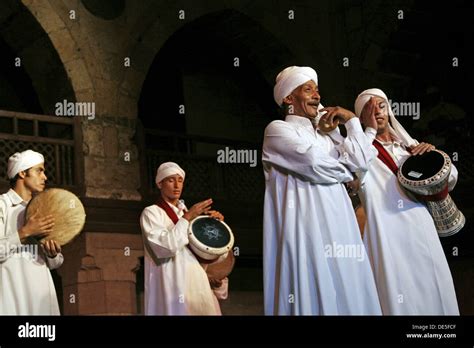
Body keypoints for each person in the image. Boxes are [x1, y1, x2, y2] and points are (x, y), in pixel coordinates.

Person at [262, 66, 382, 315]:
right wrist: (347, 172)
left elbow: (361, 162)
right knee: (313, 290)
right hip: (306, 228)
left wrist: (350, 122)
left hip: (341, 225)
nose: (316, 95)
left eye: (317, 90)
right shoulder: (278, 130)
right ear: (288, 98)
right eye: (308, 89)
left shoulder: (330, 137)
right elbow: (314, 164)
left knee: (348, 287)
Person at [354, 88, 459, 315]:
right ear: (361, 118)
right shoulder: (361, 152)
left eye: (381, 106)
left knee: (434, 285)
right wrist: (369, 132)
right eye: (369, 109)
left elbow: (450, 178)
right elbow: (354, 168)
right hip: (387, 233)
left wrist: (432, 155)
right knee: (400, 293)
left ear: (389, 110)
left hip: (421, 227)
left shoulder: (409, 148)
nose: (377, 112)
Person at [140, 162, 229, 315]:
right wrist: (187, 218)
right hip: (173, 288)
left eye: (180, 180)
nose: (176, 185)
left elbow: (216, 255)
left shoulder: (191, 217)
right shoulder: (151, 213)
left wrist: (216, 229)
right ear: (160, 184)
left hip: (198, 287)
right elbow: (165, 247)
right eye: (170, 180)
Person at [0, 150, 63, 315]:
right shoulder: (3, 206)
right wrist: (25, 232)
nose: (45, 177)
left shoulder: (43, 208)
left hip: (42, 293)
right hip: (11, 293)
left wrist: (52, 254)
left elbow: (56, 263)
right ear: (22, 172)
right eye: (39, 170)